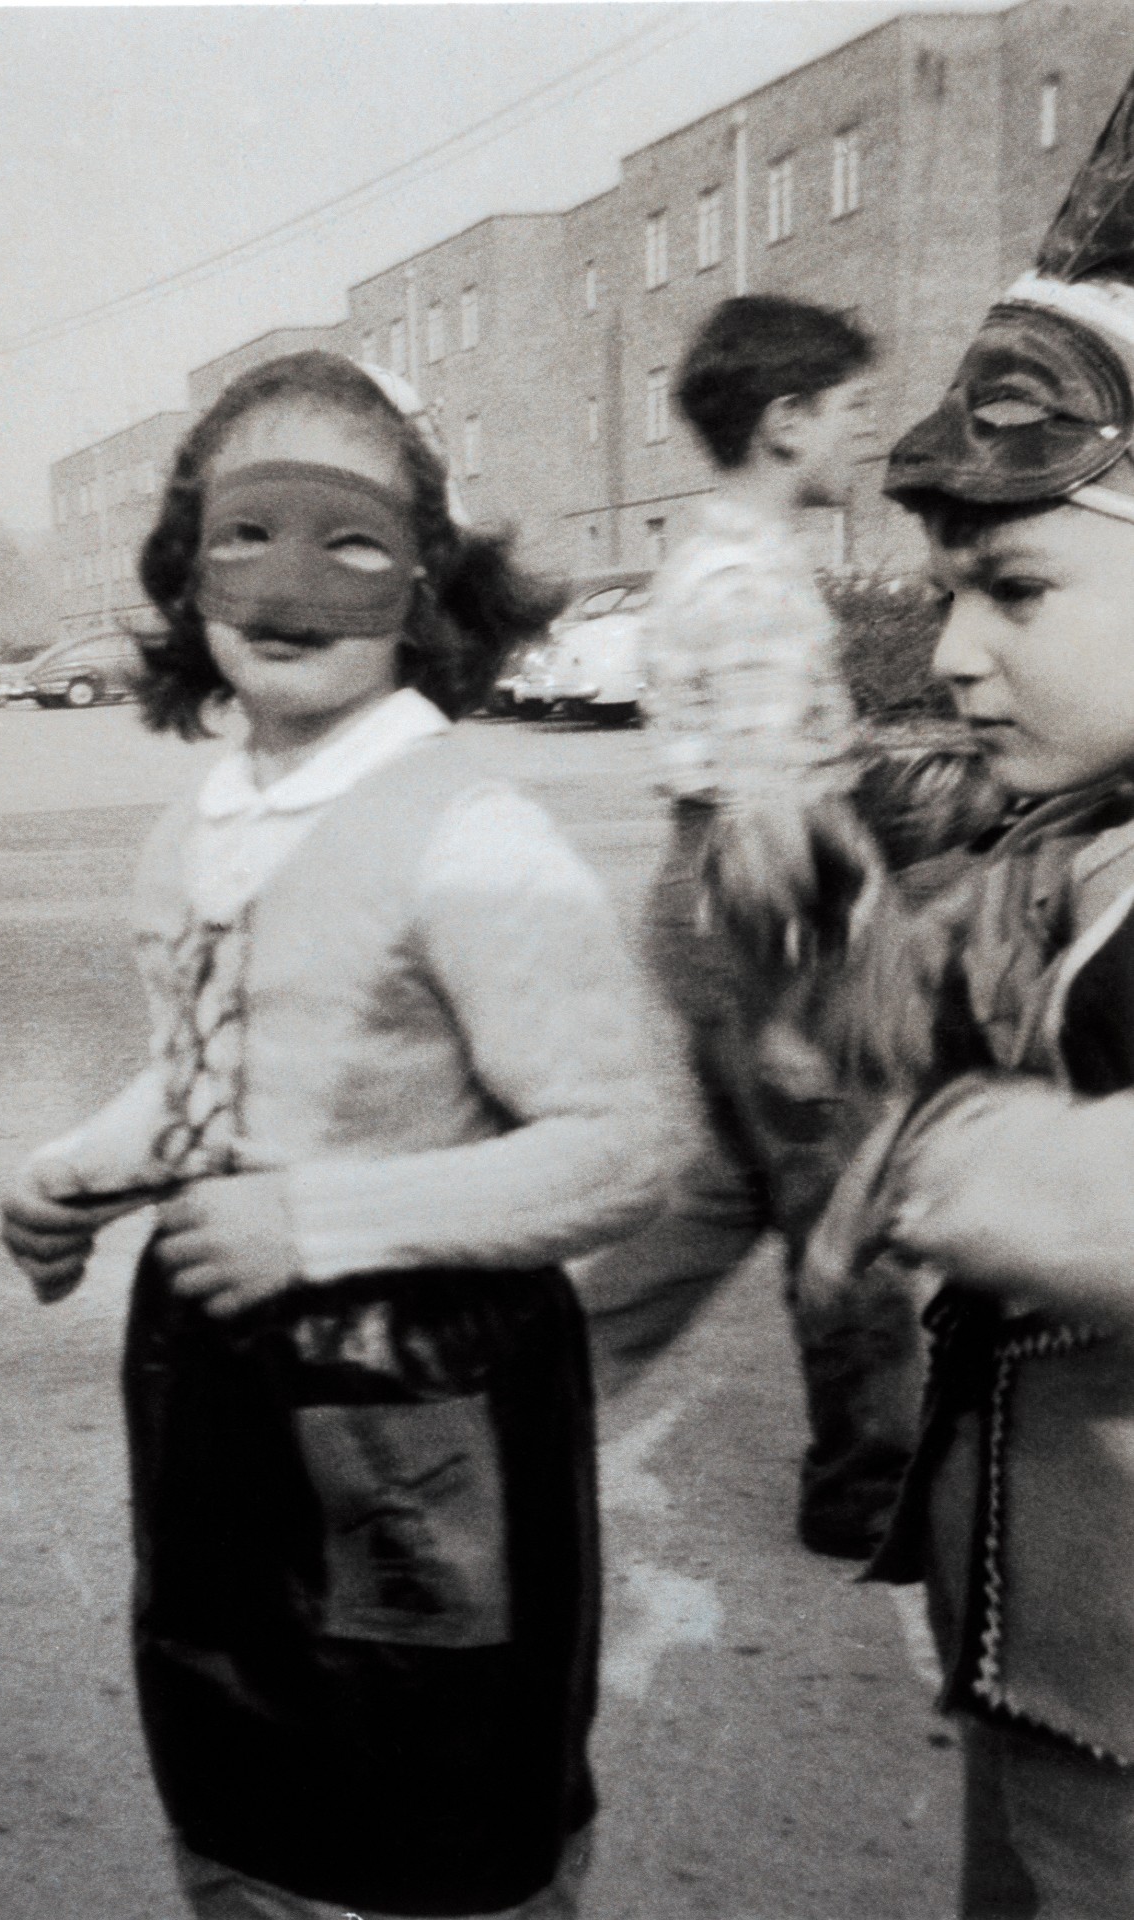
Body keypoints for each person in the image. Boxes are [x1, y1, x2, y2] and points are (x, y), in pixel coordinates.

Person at [0, 351, 687, 1920]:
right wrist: (75, 1175)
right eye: (246, 535)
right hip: (213, 1384)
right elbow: (202, 1082)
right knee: (244, 1800)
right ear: (185, 569)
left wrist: (316, 1225)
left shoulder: (477, 832)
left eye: (348, 538)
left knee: (428, 1820)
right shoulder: (196, 827)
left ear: (427, 580)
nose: (289, 583)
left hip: (420, 1406)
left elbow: (624, 1147)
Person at [793, 68, 1134, 1916]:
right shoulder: (1068, 841)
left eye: (1012, 586)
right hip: (1049, 1689)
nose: (949, 649)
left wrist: (1047, 1184)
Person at [572, 296, 916, 1560]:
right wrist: (792, 1011)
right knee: (847, 1203)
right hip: (763, 909)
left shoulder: (711, 557)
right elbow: (773, 817)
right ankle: (867, 1491)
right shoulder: (754, 583)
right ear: (785, 424)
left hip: (717, 889)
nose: (860, 442)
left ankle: (523, 1406)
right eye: (850, 415)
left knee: (723, 1197)